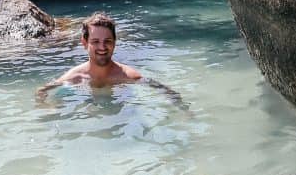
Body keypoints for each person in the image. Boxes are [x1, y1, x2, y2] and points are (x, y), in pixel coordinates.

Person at [35, 12, 187, 108]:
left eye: (107, 41)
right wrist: (50, 109)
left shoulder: (127, 75)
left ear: (114, 42)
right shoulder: (75, 77)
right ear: (84, 43)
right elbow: (41, 92)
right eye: (95, 42)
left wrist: (183, 112)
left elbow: (167, 91)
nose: (102, 47)